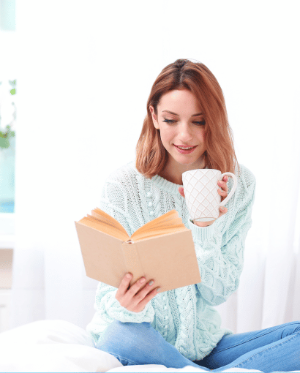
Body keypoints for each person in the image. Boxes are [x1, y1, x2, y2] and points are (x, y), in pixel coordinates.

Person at [86, 59, 300, 372]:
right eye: (171, 120)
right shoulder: (123, 185)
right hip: (139, 337)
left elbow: (217, 292)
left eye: (198, 122)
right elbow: (108, 299)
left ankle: (197, 370)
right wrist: (128, 305)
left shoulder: (239, 184)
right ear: (154, 116)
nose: (184, 135)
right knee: (119, 336)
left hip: (203, 346)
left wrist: (203, 226)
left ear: (214, 120)